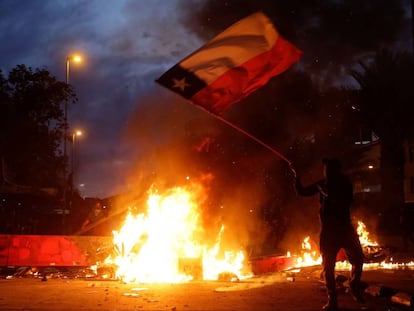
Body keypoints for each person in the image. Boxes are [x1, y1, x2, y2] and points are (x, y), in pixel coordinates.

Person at [291, 158, 365, 311]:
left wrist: (329, 194)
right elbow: (302, 192)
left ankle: (353, 285)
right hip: (329, 232)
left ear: (336, 170)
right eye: (325, 170)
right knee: (328, 267)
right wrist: (296, 175)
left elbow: (347, 200)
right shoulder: (322, 183)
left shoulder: (344, 183)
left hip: (344, 229)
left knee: (358, 258)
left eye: (328, 169)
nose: (326, 172)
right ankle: (332, 300)